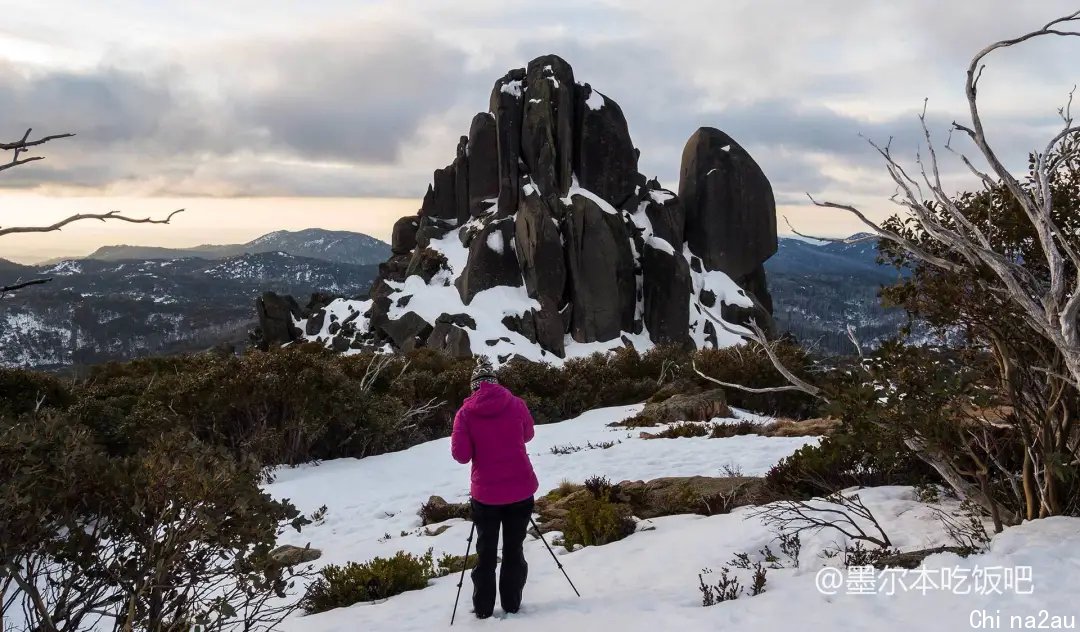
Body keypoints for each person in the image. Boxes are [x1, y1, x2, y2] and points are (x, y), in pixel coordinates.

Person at [450, 359, 539, 619]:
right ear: (495, 383)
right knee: (514, 548)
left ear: (474, 387)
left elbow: (461, 456)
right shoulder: (516, 404)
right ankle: (512, 604)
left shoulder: (465, 413)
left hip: (486, 495)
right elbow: (528, 435)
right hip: (521, 489)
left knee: (486, 552)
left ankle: (483, 609)